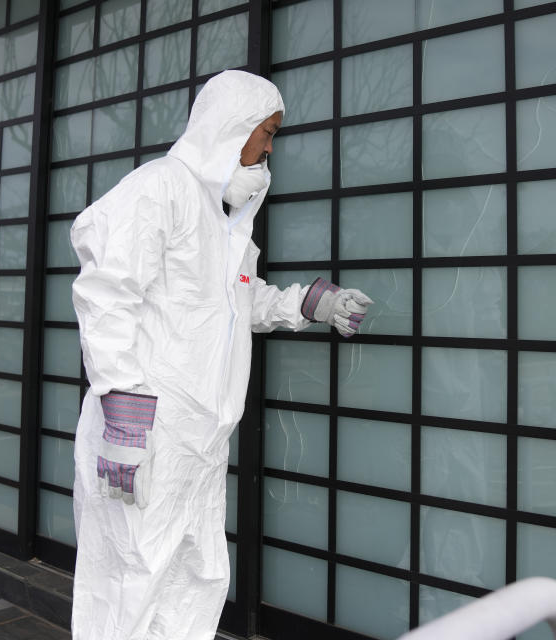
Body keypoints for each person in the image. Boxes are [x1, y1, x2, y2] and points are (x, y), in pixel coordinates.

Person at [69, 70, 372, 640]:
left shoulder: (224, 223)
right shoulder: (159, 188)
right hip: (145, 434)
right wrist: (122, 417)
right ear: (231, 128)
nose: (269, 147)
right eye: (267, 131)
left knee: (196, 578)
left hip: (199, 442)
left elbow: (234, 303)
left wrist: (310, 304)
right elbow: (105, 294)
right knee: (131, 580)